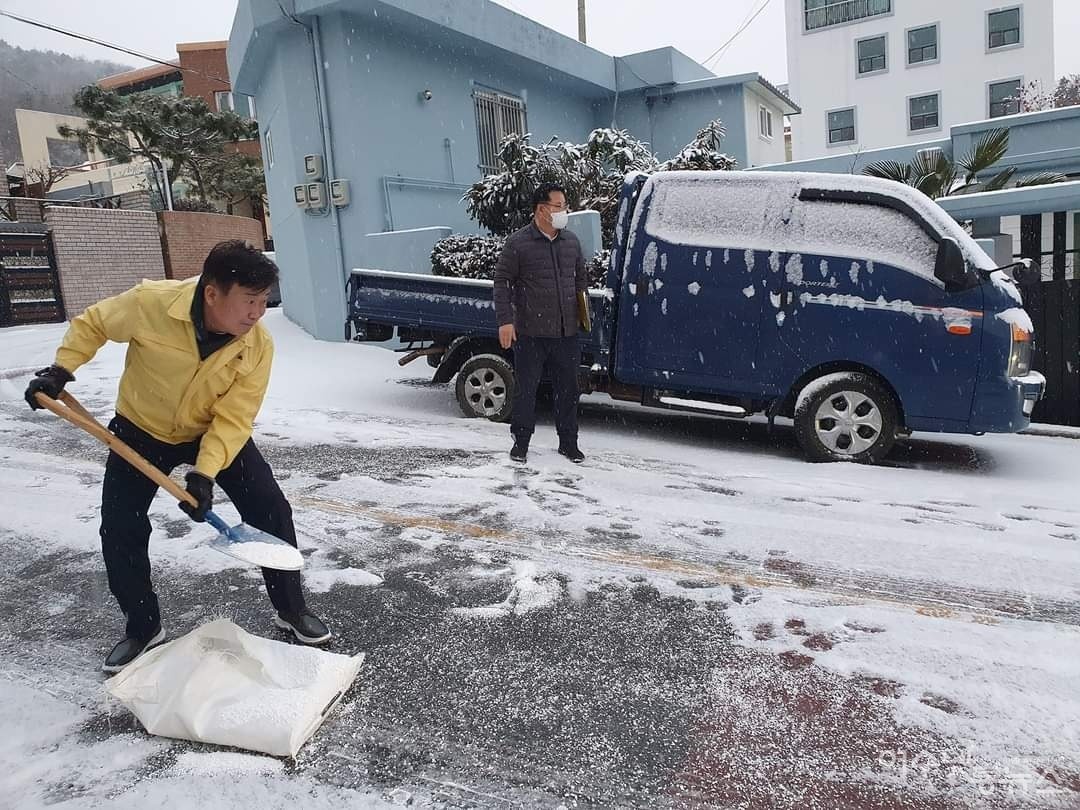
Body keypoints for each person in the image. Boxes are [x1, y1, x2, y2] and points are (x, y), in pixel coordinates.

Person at [24, 240, 331, 673]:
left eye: (264, 301)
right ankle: (143, 626)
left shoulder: (256, 345)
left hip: (210, 430)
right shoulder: (151, 303)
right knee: (121, 526)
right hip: (141, 429)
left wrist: (204, 474)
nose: (258, 313)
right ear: (212, 293)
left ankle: (291, 608)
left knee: (270, 509)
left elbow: (234, 417)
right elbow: (93, 323)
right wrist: (61, 370)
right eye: (249, 300)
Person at [493, 183, 588, 464]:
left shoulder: (571, 242)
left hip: (566, 332)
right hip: (530, 333)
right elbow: (502, 282)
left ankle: (569, 443)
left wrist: (583, 314)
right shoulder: (518, 243)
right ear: (542, 210)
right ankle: (521, 442)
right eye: (559, 206)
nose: (564, 211)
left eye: (565, 206)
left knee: (568, 391)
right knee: (527, 390)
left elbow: (581, 281)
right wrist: (505, 321)